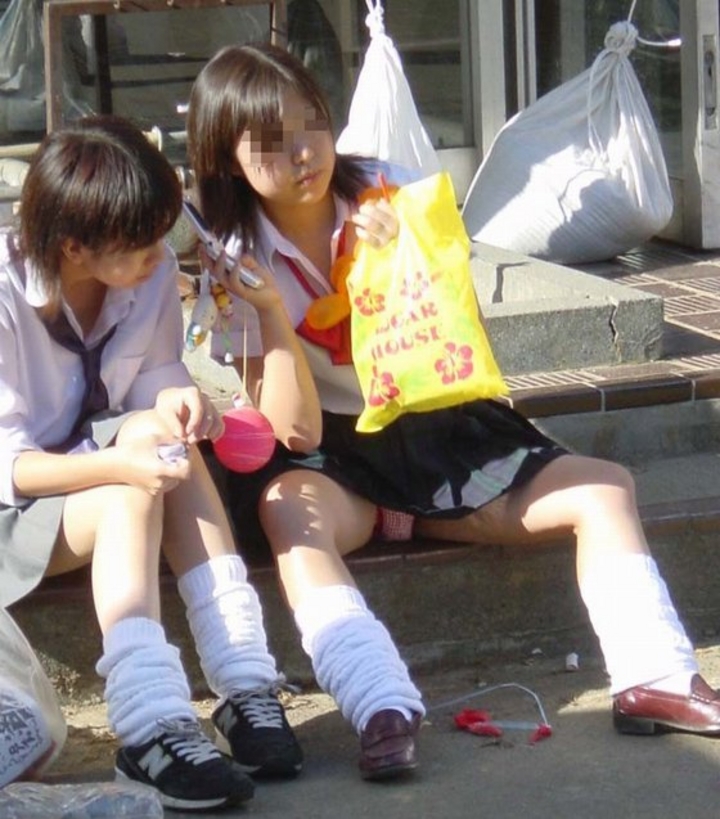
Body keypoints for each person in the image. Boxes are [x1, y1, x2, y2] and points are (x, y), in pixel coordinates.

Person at [185, 42, 720, 782]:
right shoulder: (233, 259)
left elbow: (455, 342)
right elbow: (296, 429)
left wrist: (405, 256)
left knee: (604, 488)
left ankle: (654, 675)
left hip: (435, 428)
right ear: (226, 158)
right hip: (331, 456)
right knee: (287, 513)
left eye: (312, 123)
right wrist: (272, 310)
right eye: (270, 142)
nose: (303, 153)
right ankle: (381, 703)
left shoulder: (392, 191)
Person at [0, 115, 303, 811]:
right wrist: (122, 467)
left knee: (168, 438)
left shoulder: (150, 269)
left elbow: (155, 373)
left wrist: (181, 400)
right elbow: (9, 467)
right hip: (16, 508)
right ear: (73, 246)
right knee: (132, 484)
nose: (160, 256)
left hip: (88, 471)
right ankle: (149, 725)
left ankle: (244, 682)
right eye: (140, 244)